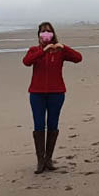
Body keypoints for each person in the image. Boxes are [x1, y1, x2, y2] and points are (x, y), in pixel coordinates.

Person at [22, 22, 83, 174]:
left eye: (48, 32)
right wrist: (44, 50)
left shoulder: (60, 51)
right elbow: (26, 62)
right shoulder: (34, 50)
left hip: (57, 93)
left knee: (53, 124)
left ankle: (48, 158)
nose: (46, 35)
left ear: (53, 34)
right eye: (43, 33)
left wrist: (63, 47)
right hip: (37, 94)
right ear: (39, 36)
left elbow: (78, 58)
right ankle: (40, 160)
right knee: (39, 124)